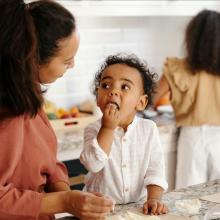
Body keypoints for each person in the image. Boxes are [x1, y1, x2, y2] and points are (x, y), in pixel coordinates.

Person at [0, 0, 114, 219]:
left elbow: (46, 162)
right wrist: (65, 201)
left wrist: (70, 196)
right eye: (66, 60)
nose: (72, 66)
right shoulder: (9, 114)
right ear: (33, 59)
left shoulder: (27, 94)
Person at [80, 54, 168, 215]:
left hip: (138, 209)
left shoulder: (148, 129)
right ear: (98, 99)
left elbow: (155, 170)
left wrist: (153, 199)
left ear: (141, 102)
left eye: (124, 87)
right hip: (100, 210)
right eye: (105, 85)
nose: (113, 91)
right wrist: (107, 129)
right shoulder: (93, 129)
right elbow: (93, 164)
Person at [153, 10, 220, 189]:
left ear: (192, 38)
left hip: (193, 138)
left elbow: (149, 98)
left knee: (188, 200)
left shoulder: (178, 69)